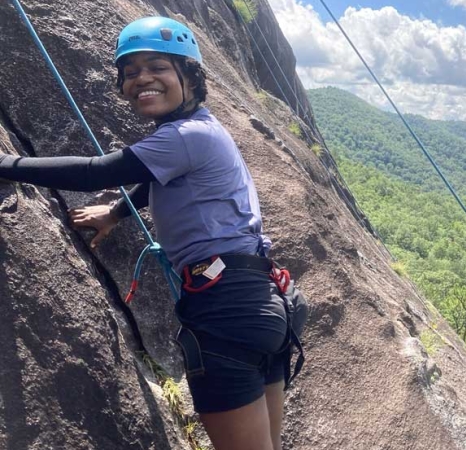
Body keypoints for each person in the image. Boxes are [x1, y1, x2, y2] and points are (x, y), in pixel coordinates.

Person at [0, 16, 290, 450]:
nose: (142, 79)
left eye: (157, 67)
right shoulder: (201, 130)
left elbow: (98, 170)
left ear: (189, 74)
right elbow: (156, 177)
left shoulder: (185, 137)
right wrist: (116, 213)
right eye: (131, 72)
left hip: (226, 311)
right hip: (261, 304)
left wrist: (5, 165)